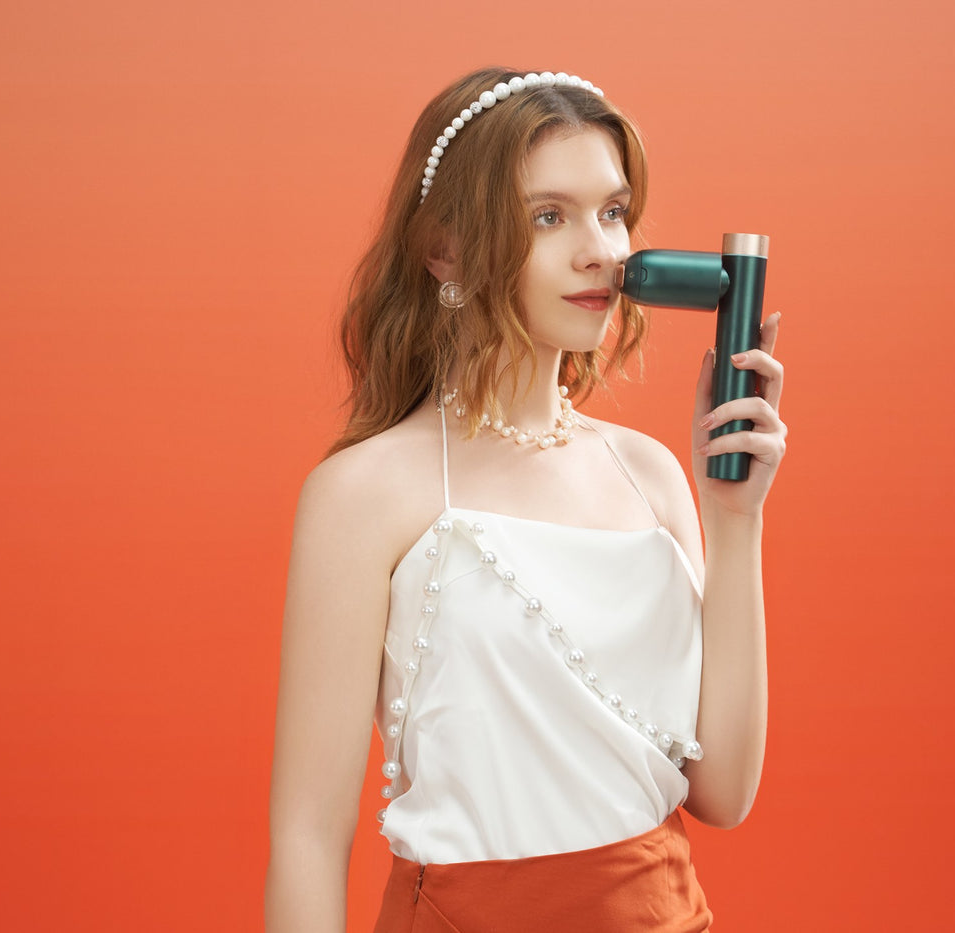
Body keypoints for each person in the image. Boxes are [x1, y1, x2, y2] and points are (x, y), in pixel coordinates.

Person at [266, 67, 786, 932]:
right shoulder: (362, 495)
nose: (602, 252)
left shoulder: (651, 474)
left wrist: (736, 520)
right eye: (550, 217)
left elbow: (723, 790)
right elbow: (308, 836)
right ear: (447, 249)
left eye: (614, 212)